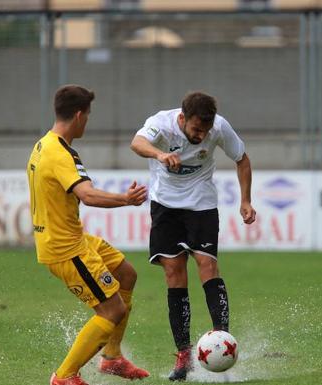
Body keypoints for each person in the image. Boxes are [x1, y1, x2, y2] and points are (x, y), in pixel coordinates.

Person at [27, 85, 150, 385]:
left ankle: (112, 358)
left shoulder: (45, 144)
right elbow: (88, 195)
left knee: (126, 275)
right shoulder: (59, 153)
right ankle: (64, 377)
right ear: (79, 115)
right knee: (112, 309)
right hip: (65, 248)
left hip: (74, 238)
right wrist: (126, 199)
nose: (88, 122)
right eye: (88, 116)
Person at [130, 91, 256, 381]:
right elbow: (137, 143)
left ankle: (223, 341)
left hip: (201, 204)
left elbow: (242, 159)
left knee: (207, 265)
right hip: (165, 206)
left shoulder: (219, 127)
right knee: (174, 274)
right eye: (197, 129)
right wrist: (160, 154)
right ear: (183, 118)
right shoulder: (161, 123)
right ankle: (184, 356)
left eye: (206, 130)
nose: (202, 135)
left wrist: (246, 200)